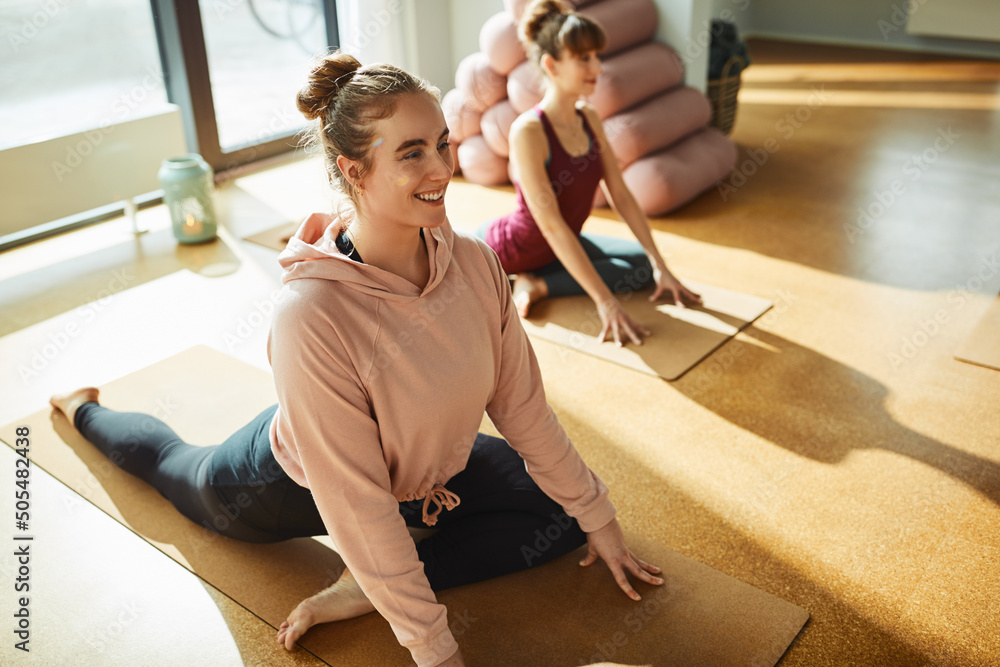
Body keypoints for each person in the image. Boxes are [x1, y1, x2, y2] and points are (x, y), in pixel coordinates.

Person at [49, 52, 665, 667]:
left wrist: (600, 519)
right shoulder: (310, 315)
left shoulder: (475, 264)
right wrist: (434, 648)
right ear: (354, 170)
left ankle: (362, 588)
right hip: (296, 481)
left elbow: (524, 409)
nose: (441, 168)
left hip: (425, 468)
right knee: (176, 470)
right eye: (411, 152)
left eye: (442, 144)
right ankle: (83, 411)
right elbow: (359, 503)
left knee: (561, 512)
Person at [480, 0, 703, 347]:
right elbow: (551, 225)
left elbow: (621, 194)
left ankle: (537, 282)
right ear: (551, 65)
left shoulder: (589, 117)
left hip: (562, 241)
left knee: (641, 267)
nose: (597, 67)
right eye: (584, 58)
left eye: (597, 55)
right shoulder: (528, 131)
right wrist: (605, 301)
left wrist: (662, 265)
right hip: (518, 248)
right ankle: (532, 278)